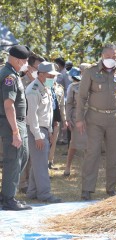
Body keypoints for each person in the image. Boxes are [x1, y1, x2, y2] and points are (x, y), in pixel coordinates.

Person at [76, 43, 116, 200]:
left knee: (114, 156)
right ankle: (87, 189)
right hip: (94, 118)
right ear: (102, 56)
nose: (112, 59)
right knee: (92, 153)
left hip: (115, 118)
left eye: (114, 56)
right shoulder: (91, 71)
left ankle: (111, 189)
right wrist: (79, 119)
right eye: (108, 57)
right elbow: (81, 96)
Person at [0, 45, 32, 210]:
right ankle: (8, 199)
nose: (26, 64)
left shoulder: (13, 73)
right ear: (19, 60)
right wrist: (15, 132)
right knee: (14, 160)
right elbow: (8, 106)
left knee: (22, 156)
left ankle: (6, 193)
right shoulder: (9, 77)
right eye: (26, 61)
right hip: (11, 123)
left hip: (18, 122)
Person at [25, 61, 62, 203]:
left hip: (44, 129)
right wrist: (38, 135)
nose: (53, 77)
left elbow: (48, 112)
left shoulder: (45, 87)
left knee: (38, 162)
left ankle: (32, 191)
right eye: (50, 75)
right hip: (37, 130)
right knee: (41, 164)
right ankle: (44, 194)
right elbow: (32, 116)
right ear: (41, 75)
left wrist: (51, 131)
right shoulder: (33, 90)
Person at [19, 54, 45, 194]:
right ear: (29, 67)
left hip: (35, 122)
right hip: (21, 122)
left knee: (34, 155)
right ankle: (22, 183)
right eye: (38, 68)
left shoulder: (42, 83)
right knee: (23, 154)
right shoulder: (20, 81)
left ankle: (31, 183)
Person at [64, 67, 87, 176]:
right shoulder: (73, 86)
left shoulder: (96, 86)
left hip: (91, 118)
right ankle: (68, 166)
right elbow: (69, 103)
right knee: (73, 143)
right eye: (83, 71)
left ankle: (86, 169)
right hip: (77, 118)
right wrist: (68, 118)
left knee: (90, 145)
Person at [48, 74, 67, 170]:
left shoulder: (59, 88)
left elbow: (62, 105)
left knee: (54, 141)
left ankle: (50, 161)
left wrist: (64, 120)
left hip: (56, 119)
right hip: (45, 118)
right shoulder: (43, 85)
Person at [54, 57, 70, 145]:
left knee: (64, 118)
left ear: (59, 65)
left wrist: (66, 99)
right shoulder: (58, 73)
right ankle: (60, 137)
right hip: (57, 99)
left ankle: (64, 138)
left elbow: (68, 87)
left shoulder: (66, 74)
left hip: (64, 99)